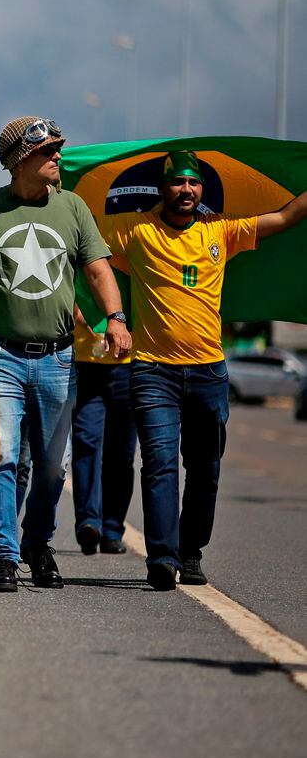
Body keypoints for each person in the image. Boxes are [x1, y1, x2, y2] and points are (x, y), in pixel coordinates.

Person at [103, 151, 307, 590]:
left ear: (202, 190)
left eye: (194, 184)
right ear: (163, 188)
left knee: (205, 467)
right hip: (153, 371)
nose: (187, 191)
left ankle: (191, 551)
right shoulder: (135, 229)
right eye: (178, 182)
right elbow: (84, 246)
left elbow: (284, 217)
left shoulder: (222, 231)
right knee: (159, 463)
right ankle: (162, 557)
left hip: (209, 374)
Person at [0, 116, 132, 593]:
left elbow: (99, 270)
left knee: (50, 467)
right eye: (48, 151)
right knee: (1, 456)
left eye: (58, 149)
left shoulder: (74, 208)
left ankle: (37, 544)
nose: (57, 157)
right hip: (0, 357)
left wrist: (116, 318)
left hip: (60, 359)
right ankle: (3, 555)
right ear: (20, 160)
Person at [69, 307, 135, 555]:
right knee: (85, 442)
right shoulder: (80, 264)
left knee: (122, 452)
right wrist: (77, 309)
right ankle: (88, 523)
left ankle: (112, 530)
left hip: (126, 362)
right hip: (84, 362)